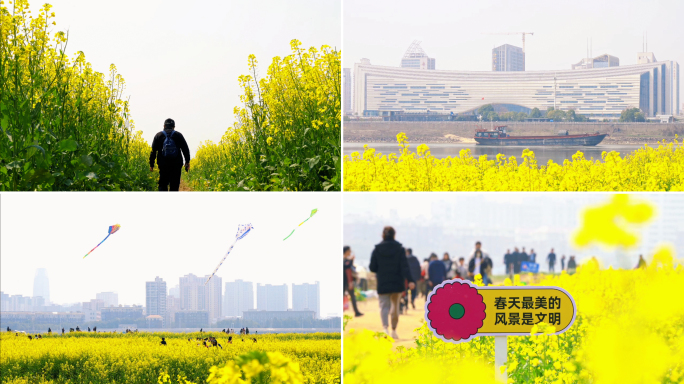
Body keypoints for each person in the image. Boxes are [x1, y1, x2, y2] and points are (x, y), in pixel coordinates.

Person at [369, 226, 416, 339]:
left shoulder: (377, 249)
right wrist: (410, 280)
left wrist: (381, 268)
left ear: (383, 235)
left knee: (384, 306)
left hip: (383, 282)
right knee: (395, 306)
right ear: (394, 235)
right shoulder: (399, 249)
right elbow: (405, 267)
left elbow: (372, 267)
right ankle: (394, 330)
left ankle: (385, 328)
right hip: (397, 282)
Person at [149, 118, 191, 191]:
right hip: (176, 164)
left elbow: (153, 151)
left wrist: (151, 164)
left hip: (163, 164)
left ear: (164, 126)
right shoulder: (178, 135)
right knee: (174, 186)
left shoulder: (158, 135)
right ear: (173, 127)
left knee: (163, 184)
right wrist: (187, 161)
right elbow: (185, 149)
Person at [344, 246, 363, 317]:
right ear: (346, 251)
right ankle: (356, 312)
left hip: (347, 282)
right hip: (346, 282)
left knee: (352, 297)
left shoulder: (346, 261)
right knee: (350, 297)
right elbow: (348, 269)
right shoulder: (345, 261)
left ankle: (356, 312)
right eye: (349, 251)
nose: (350, 252)